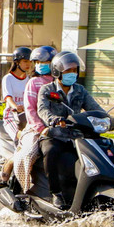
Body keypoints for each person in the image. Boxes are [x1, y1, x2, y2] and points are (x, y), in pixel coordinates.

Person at [37, 51, 107, 209]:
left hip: (76, 136)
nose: (72, 73)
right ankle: (56, 193)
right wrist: (54, 120)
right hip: (55, 135)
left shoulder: (80, 90)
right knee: (50, 152)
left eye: (75, 70)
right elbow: (43, 110)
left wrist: (109, 119)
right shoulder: (47, 90)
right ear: (57, 72)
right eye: (68, 70)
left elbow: (94, 108)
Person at [13, 45, 57, 188]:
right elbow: (30, 109)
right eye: (37, 62)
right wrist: (41, 128)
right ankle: (25, 187)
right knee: (28, 154)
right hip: (36, 129)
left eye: (44, 62)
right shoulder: (34, 82)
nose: (40, 65)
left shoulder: (58, 82)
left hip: (58, 126)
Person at [1, 47, 31, 142]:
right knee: (21, 137)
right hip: (12, 115)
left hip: (27, 115)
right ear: (17, 62)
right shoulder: (8, 78)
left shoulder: (29, 79)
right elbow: (8, 97)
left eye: (30, 61)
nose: (28, 64)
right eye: (25, 61)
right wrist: (16, 107)